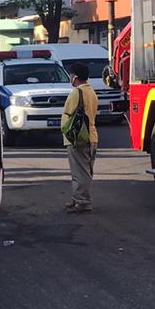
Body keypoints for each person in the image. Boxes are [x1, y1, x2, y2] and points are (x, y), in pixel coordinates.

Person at [61, 62, 99, 213]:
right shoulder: (91, 91)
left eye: (70, 75)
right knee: (84, 170)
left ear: (75, 77)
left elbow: (68, 114)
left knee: (80, 171)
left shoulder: (77, 93)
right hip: (91, 135)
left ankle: (83, 202)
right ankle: (78, 198)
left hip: (78, 137)